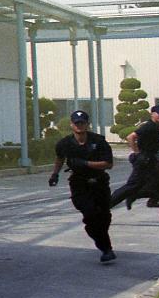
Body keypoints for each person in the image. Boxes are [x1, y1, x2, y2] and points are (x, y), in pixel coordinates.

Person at [49, 110, 116, 262]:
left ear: (87, 124)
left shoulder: (98, 141)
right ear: (72, 125)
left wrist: (85, 163)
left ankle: (101, 239)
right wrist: (55, 174)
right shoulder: (64, 143)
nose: (79, 126)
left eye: (82, 123)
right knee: (90, 213)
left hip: (99, 182)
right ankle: (106, 248)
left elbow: (108, 164)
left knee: (104, 217)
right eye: (76, 123)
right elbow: (59, 158)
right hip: (79, 183)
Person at [109, 104, 159, 228]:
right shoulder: (149, 126)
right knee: (131, 187)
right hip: (144, 162)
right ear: (152, 114)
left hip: (152, 161)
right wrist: (137, 153)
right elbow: (131, 137)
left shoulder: (156, 127)